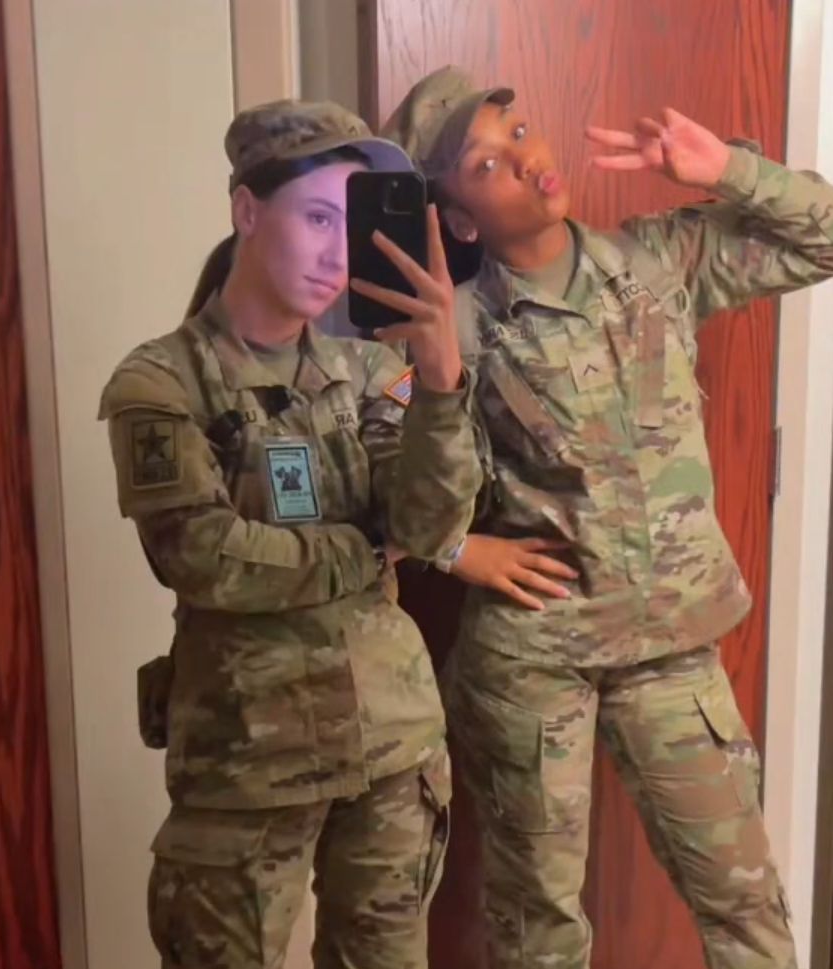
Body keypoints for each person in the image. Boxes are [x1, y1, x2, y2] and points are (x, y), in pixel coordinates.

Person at [383, 65, 833, 968]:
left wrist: (726, 172)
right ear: (460, 219)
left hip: (671, 647)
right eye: (485, 163)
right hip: (535, 662)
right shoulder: (453, 328)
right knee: (537, 929)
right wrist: (461, 544)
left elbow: (821, 239)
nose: (524, 158)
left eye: (517, 132)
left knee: (744, 903)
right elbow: (411, 515)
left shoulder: (657, 263)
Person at [98, 98, 483, 969]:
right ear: (246, 209)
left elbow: (430, 525)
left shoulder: (372, 368)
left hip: (390, 746)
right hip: (248, 759)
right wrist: (363, 550)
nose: (336, 252)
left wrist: (439, 381)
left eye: (348, 223)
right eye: (315, 217)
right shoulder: (162, 382)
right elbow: (203, 558)